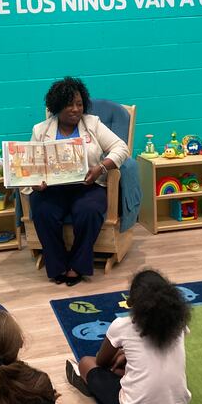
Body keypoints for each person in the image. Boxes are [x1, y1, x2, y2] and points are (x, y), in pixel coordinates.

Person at [27, 76, 129, 286]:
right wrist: (36, 181)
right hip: (52, 189)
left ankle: (77, 266)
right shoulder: (40, 130)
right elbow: (32, 165)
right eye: (69, 104)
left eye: (79, 104)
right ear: (57, 107)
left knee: (88, 211)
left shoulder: (93, 124)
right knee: (42, 211)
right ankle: (58, 266)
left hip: (88, 185)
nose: (75, 109)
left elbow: (121, 148)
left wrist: (101, 167)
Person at [65, 269, 191, 404]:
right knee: (129, 366)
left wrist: (119, 355)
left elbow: (100, 361)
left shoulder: (123, 325)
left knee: (86, 363)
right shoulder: (178, 324)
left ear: (131, 301)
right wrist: (125, 355)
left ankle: (90, 384)